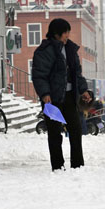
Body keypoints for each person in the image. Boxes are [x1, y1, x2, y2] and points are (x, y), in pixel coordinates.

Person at [32, 18, 91, 171]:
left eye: (68, 32)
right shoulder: (44, 51)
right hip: (52, 100)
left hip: (70, 97)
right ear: (56, 34)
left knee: (76, 130)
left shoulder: (70, 49)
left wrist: (83, 90)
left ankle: (78, 165)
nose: (67, 35)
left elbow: (77, 73)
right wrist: (44, 94)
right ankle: (58, 167)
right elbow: (39, 75)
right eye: (65, 32)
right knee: (54, 133)